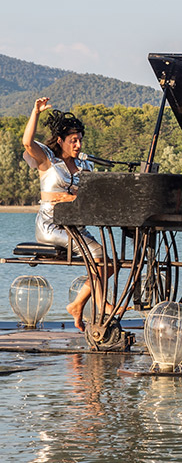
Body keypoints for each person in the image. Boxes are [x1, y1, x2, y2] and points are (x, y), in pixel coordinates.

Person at [22, 97, 111, 331]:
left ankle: (78, 304)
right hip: (52, 226)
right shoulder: (48, 161)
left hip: (77, 228)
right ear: (60, 140)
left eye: (80, 140)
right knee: (99, 255)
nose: (78, 145)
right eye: (73, 141)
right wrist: (35, 112)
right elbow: (27, 142)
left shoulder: (85, 167)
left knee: (110, 264)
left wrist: (76, 199)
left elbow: (92, 199)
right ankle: (101, 304)